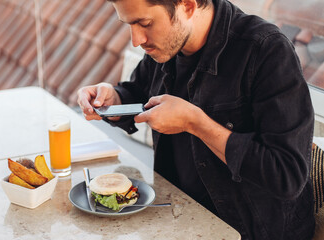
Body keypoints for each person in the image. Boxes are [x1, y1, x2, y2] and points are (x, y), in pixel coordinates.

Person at [77, 0, 315, 239]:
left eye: (145, 23)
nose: (136, 40)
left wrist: (195, 123)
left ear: (188, 6)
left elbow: (288, 175)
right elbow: (138, 93)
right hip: (181, 218)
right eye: (129, 24)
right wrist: (113, 100)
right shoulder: (166, 45)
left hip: (248, 232)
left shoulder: (266, 50)